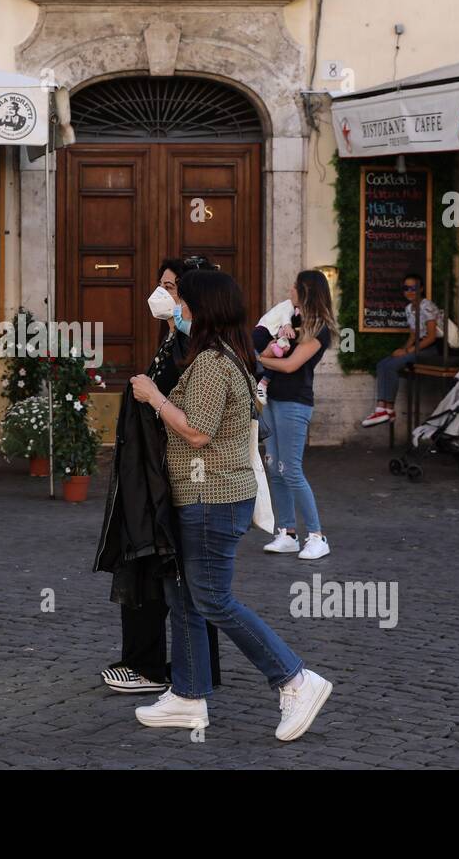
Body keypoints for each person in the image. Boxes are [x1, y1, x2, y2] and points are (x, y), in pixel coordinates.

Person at [128, 269, 333, 740]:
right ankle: (188, 695)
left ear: (203, 309)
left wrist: (154, 397)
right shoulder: (227, 355)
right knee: (183, 595)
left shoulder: (212, 364)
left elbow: (198, 432)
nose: (176, 308)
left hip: (210, 497)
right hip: (205, 495)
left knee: (213, 599)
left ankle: (296, 680)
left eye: (183, 302)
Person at [95, 257, 221, 694]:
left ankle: (153, 667)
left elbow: (197, 425)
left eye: (173, 288)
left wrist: (150, 395)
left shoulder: (200, 349)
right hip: (154, 472)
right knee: (175, 573)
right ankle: (188, 667)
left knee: (166, 569)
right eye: (162, 284)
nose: (163, 294)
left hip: (175, 476)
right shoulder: (173, 339)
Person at [257, 270, 337, 560]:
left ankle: (317, 535)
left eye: (294, 286)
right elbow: (275, 348)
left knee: (291, 469)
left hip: (295, 403)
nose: (289, 289)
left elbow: (290, 366)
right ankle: (287, 533)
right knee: (275, 467)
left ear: (305, 291)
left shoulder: (320, 330)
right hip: (275, 399)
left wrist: (257, 359)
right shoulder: (292, 320)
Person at [361, 272, 441, 429]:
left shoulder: (428, 306)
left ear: (421, 288)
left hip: (431, 348)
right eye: (406, 288)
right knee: (382, 364)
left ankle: (389, 407)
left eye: (414, 287)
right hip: (416, 346)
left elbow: (431, 337)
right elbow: (413, 334)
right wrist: (403, 349)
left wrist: (408, 351)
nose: (409, 291)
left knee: (391, 366)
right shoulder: (409, 308)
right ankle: (381, 408)